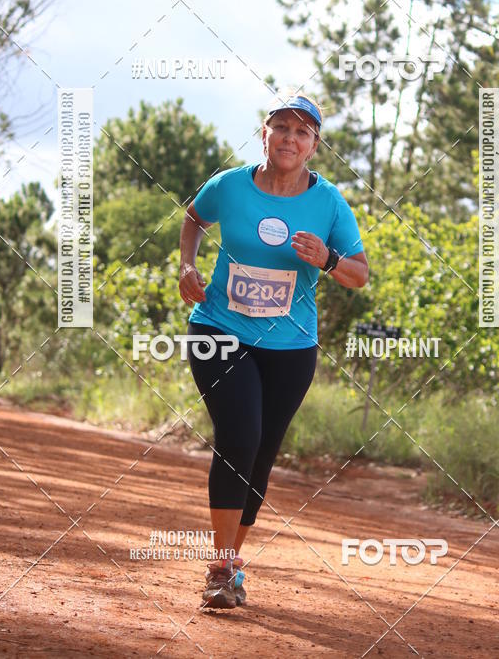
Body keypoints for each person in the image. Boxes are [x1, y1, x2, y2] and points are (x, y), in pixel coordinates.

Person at [178, 92, 369, 609]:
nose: (290, 138)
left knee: (261, 452)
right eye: (281, 127)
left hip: (290, 347)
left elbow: (360, 273)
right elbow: (194, 217)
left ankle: (230, 564)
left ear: (314, 145)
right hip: (219, 329)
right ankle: (218, 571)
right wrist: (187, 266)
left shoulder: (328, 202)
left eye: (302, 132)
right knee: (239, 435)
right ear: (264, 132)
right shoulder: (231, 185)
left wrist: (328, 259)